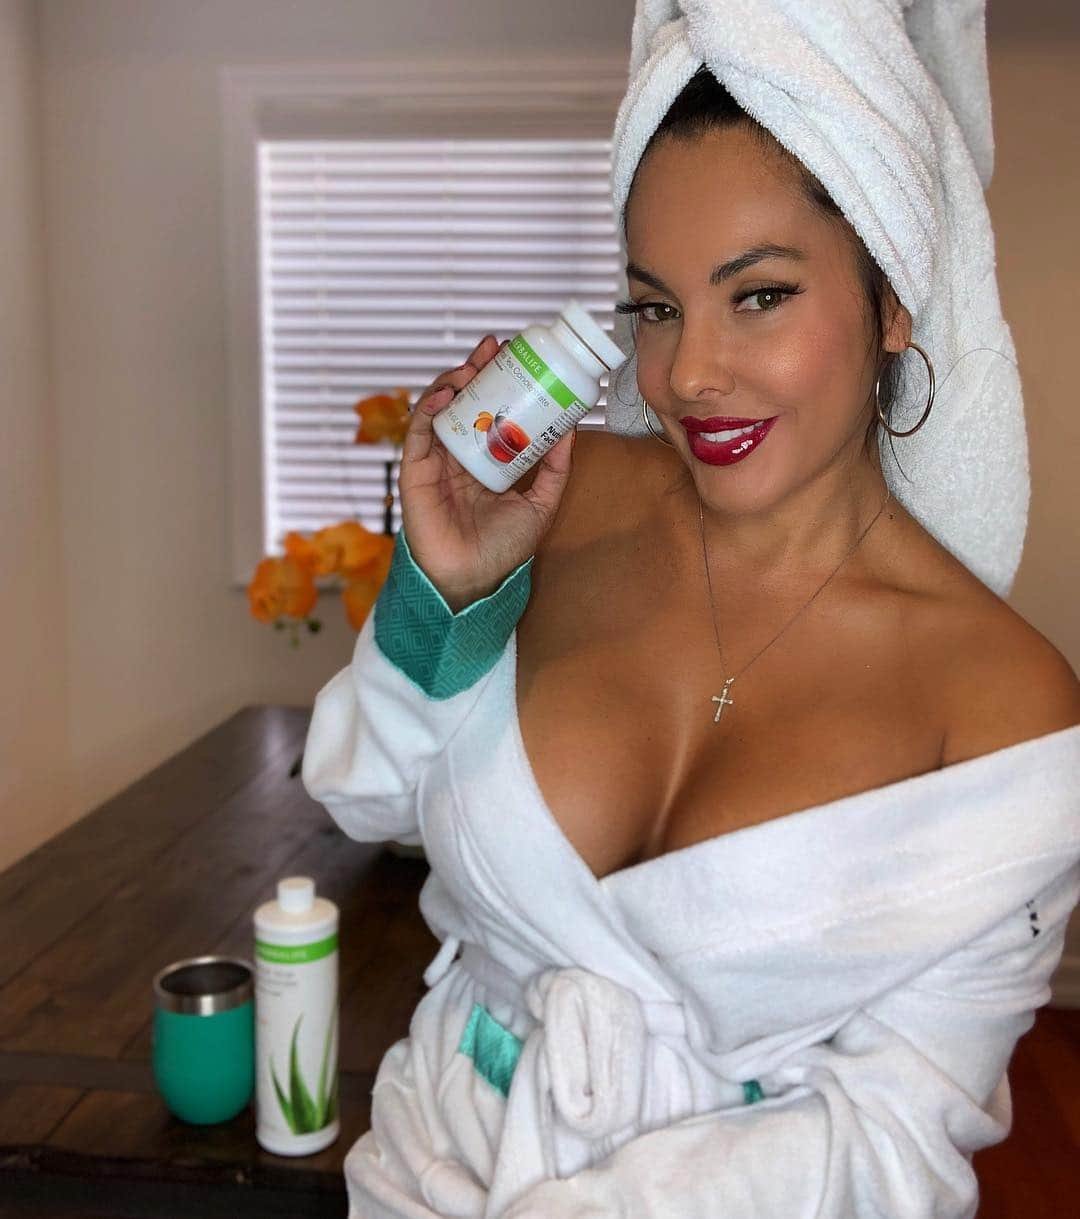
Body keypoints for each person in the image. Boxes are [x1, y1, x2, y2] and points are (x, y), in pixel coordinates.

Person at [301, 18, 1080, 1219]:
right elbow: (364, 799)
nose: (689, 374)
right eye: (655, 309)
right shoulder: (555, 506)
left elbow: (896, 1144)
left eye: (758, 296)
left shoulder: (1003, 706)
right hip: (422, 1172)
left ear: (892, 298)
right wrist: (443, 591)